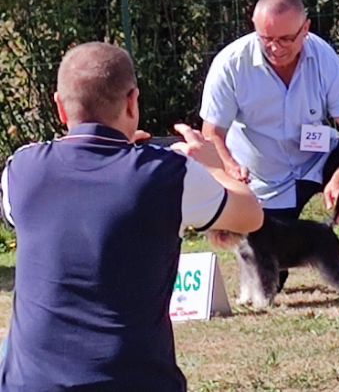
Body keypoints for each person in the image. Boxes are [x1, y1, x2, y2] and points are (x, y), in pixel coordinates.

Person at [0, 42, 264, 390]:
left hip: (31, 383)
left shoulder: (20, 169)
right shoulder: (168, 174)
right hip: (132, 379)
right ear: (132, 101)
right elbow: (250, 216)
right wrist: (215, 165)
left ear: (60, 107)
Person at [200, 0, 339, 294]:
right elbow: (211, 134)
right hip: (263, 180)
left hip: (317, 161)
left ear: (305, 29)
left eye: (286, 39)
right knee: (272, 276)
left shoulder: (323, 57)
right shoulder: (231, 63)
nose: (275, 48)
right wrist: (230, 167)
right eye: (266, 38)